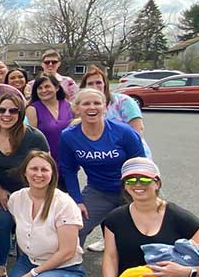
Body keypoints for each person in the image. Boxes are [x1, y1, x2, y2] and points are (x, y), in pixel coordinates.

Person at [0, 152, 87, 277]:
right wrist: (28, 268)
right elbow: (24, 233)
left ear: (52, 174)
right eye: (34, 169)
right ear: (25, 172)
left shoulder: (64, 203)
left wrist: (34, 274)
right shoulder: (16, 198)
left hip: (65, 267)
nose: (38, 174)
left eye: (44, 170)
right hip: (29, 261)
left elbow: (67, 251)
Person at [57, 89, 145, 246]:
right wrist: (77, 200)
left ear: (105, 107)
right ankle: (71, 267)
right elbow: (69, 171)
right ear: (77, 108)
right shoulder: (69, 136)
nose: (92, 107)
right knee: (76, 227)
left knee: (139, 233)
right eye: (86, 103)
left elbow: (140, 164)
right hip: (98, 191)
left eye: (97, 103)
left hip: (131, 189)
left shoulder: (124, 132)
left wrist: (140, 196)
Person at [0, 93, 50, 277]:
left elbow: (47, 167)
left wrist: (36, 194)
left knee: (27, 227)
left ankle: (25, 265)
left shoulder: (34, 137)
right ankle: (1, 265)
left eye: (13, 110)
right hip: (4, 188)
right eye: (2, 110)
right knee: (2, 224)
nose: (7, 114)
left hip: (31, 190)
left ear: (20, 113)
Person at [26, 74, 73, 160]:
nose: (43, 90)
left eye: (47, 86)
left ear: (57, 88)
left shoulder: (69, 106)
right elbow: (31, 138)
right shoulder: (32, 109)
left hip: (68, 158)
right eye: (40, 88)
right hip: (46, 159)